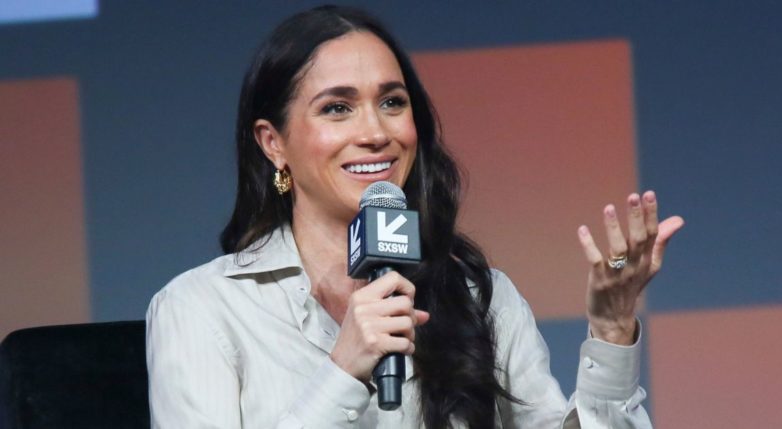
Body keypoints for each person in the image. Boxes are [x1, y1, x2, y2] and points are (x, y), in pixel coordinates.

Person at [146, 5, 684, 429]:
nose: (376, 132)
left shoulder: (480, 297)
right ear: (273, 143)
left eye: (392, 102)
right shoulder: (201, 309)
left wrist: (612, 331)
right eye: (337, 108)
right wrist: (342, 373)